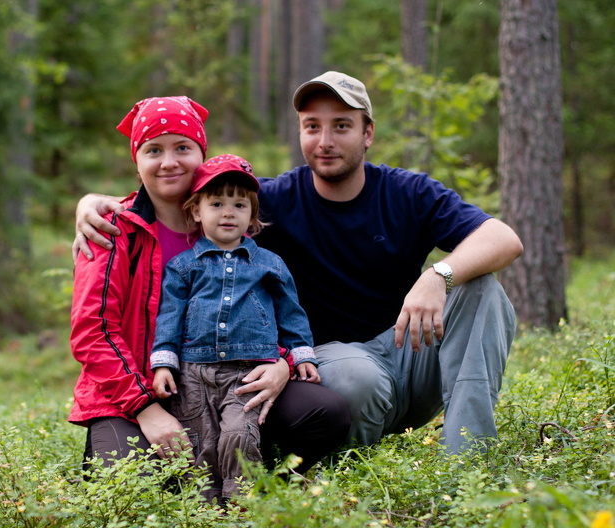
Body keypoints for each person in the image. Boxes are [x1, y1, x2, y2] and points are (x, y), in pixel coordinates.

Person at [72, 71, 525, 456]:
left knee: (481, 287)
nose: (325, 141)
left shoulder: (408, 193)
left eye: (341, 126)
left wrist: (438, 275)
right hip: (336, 366)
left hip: (409, 349)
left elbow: (503, 238)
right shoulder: (270, 201)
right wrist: (93, 202)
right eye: (312, 126)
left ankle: (471, 457)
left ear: (368, 133)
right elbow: (195, 195)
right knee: (354, 382)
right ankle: (353, 473)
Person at [69, 95, 350, 474]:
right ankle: (202, 472)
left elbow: (270, 302)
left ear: (201, 154)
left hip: (232, 381)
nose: (169, 162)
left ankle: (253, 483)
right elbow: (92, 332)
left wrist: (283, 362)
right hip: (139, 393)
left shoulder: (233, 218)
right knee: (127, 473)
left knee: (323, 413)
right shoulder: (112, 230)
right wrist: (146, 410)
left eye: (182, 147)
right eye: (153, 150)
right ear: (137, 161)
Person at [151, 154, 321, 501]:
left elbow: (291, 313)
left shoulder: (269, 265)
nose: (228, 212)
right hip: (193, 371)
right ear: (197, 211)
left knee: (239, 434)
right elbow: (169, 316)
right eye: (217, 203)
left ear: (251, 216)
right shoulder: (183, 267)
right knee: (201, 441)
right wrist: (164, 362)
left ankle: (241, 501)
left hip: (247, 372)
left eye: (239, 205)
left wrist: (302, 354)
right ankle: (205, 505)